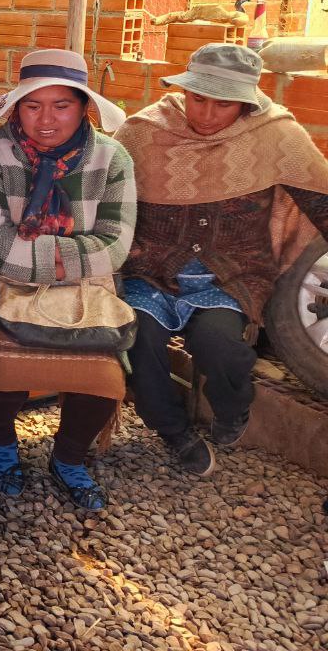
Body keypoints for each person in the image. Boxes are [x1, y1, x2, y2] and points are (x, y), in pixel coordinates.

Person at [115, 44, 328, 476]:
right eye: (198, 98)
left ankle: (233, 410)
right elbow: (103, 193)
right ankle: (173, 432)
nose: (208, 114)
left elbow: (320, 200)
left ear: (246, 103)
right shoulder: (143, 132)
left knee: (219, 344)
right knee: (138, 341)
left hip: (230, 274)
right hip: (150, 270)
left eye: (224, 104)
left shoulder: (276, 136)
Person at [0, 50, 135, 511]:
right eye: (34, 105)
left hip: (83, 290)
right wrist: (70, 257)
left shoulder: (112, 160)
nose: (47, 119)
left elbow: (115, 245)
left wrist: (49, 263)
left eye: (62, 106)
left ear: (83, 107)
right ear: (16, 107)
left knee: (102, 376)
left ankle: (69, 457)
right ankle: (3, 445)